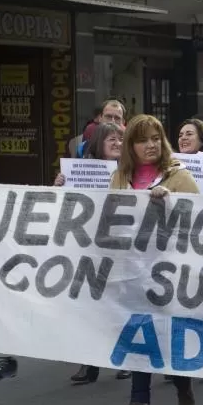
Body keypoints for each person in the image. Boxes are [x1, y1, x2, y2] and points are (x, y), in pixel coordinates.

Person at [110, 115, 200, 405]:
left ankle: (182, 383)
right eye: (142, 139)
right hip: (133, 271)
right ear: (130, 146)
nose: (150, 145)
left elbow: (198, 224)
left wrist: (169, 203)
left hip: (168, 274)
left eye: (155, 138)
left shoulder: (179, 177)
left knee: (168, 336)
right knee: (140, 333)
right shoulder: (121, 177)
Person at [54, 122, 132, 384]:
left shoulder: (130, 171)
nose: (117, 144)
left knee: (120, 303)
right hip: (90, 245)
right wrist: (59, 187)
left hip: (121, 246)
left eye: (121, 140)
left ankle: (125, 358)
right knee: (90, 305)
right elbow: (62, 208)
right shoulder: (79, 171)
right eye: (112, 139)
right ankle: (90, 361)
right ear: (98, 143)